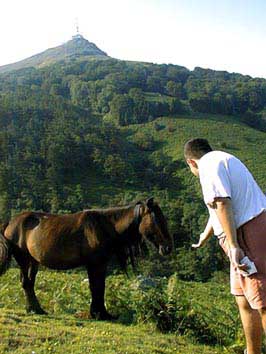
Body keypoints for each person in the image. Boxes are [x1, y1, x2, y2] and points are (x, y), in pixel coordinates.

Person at [184, 138, 266, 354]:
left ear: (191, 163)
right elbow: (218, 210)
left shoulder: (208, 166)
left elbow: (222, 203)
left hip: (246, 235)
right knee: (245, 301)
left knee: (263, 301)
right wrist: (205, 235)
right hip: (240, 236)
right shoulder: (222, 159)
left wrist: (233, 245)